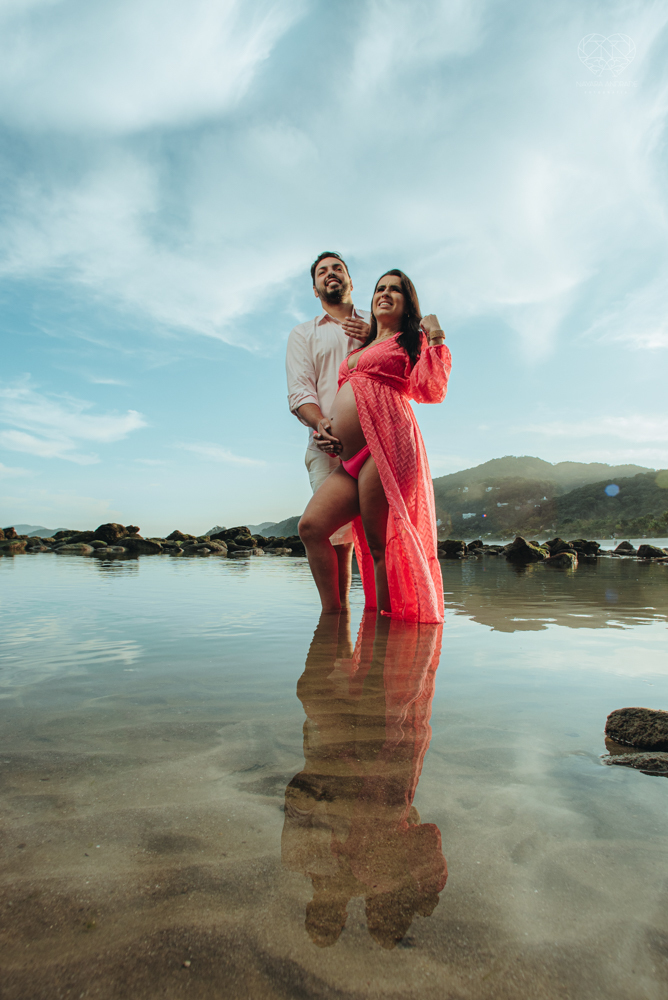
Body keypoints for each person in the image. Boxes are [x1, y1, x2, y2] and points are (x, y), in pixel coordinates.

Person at [298, 269, 452, 624]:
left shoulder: (410, 340)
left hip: (388, 443)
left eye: (395, 289)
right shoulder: (364, 345)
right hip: (349, 456)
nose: (385, 293)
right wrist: (326, 428)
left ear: (407, 301)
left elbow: (432, 389)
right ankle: (332, 620)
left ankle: (384, 638)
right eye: (380, 288)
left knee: (380, 545)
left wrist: (436, 334)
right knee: (311, 527)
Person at [286, 252, 370, 602]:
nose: (331, 274)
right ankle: (334, 628)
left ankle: (375, 628)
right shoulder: (304, 333)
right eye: (322, 271)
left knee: (378, 537)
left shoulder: (377, 321)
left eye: (338, 268)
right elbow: (300, 390)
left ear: (351, 281)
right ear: (315, 288)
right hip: (325, 445)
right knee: (334, 536)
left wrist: (375, 335)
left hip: (375, 444)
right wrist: (320, 423)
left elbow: (410, 357)